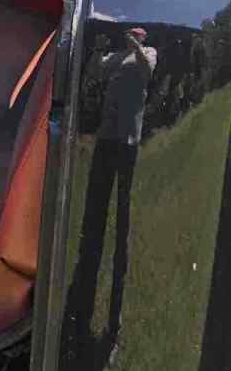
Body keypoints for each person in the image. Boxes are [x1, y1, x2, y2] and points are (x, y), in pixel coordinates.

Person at [66, 27, 157, 368]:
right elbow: (95, 70)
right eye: (131, 34)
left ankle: (112, 324)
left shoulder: (147, 54)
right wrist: (95, 49)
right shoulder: (116, 57)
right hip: (105, 140)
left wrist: (134, 44)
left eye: (138, 34)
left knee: (122, 220)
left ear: (143, 37)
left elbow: (147, 69)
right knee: (93, 217)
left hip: (129, 143)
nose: (133, 36)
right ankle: (78, 306)